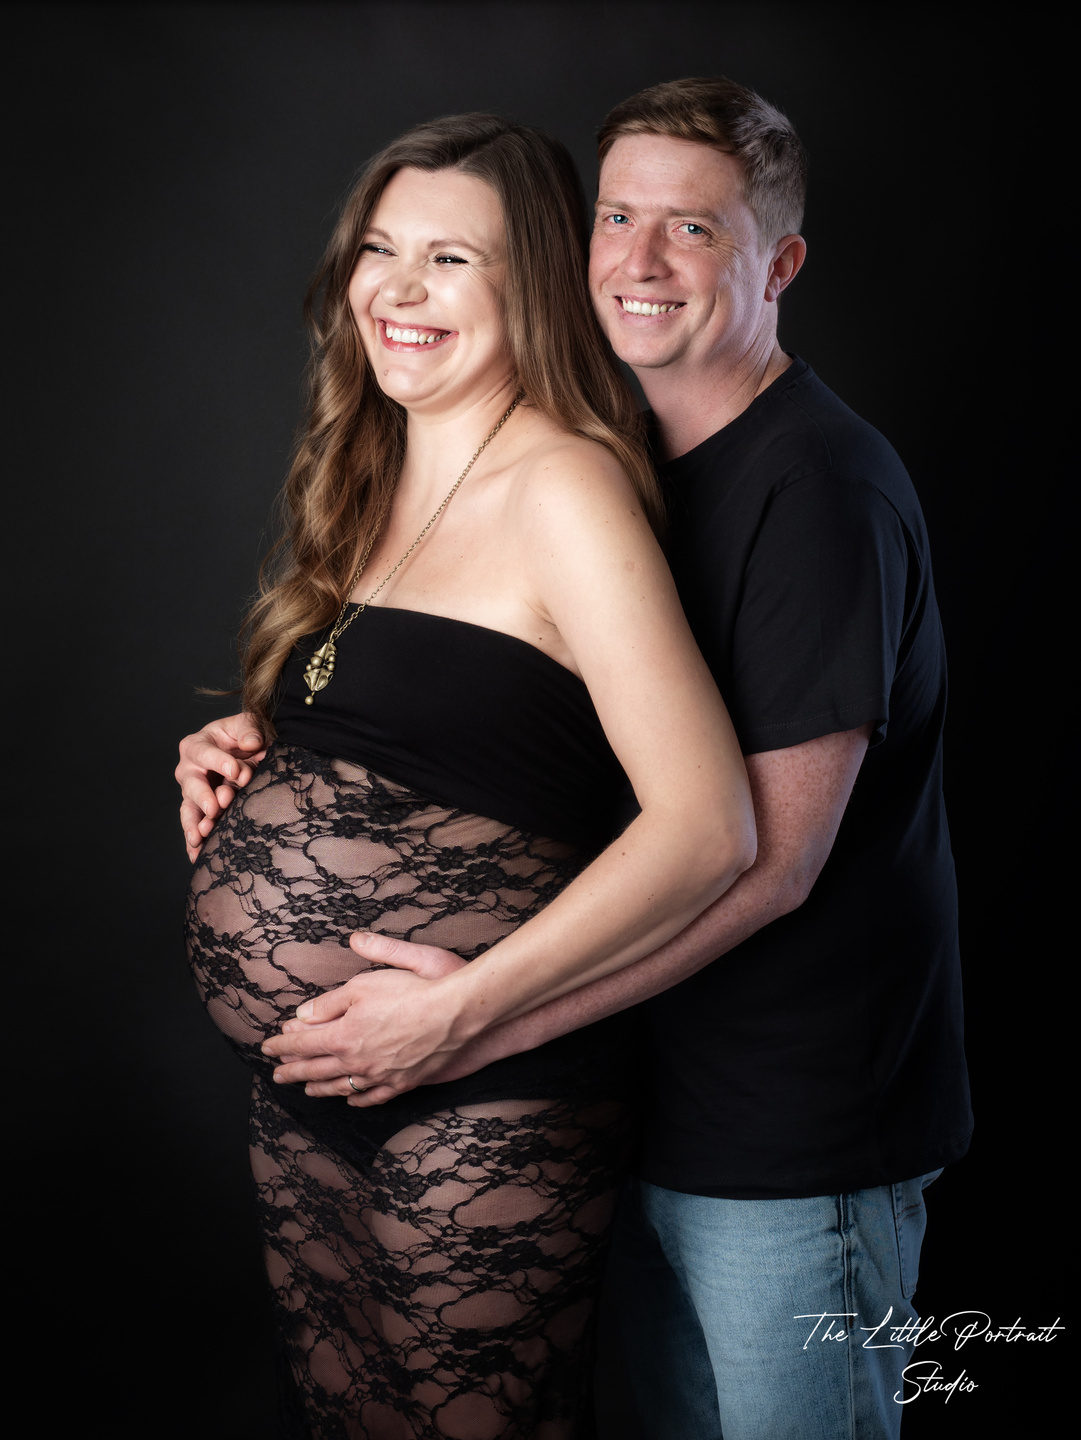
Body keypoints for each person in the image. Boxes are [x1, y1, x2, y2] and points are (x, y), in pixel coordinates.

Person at [180, 80, 973, 1438]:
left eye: (692, 229)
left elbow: (760, 857)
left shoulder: (812, 493)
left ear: (778, 264)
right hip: (644, 1080)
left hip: (788, 1126)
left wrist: (471, 1019)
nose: (640, 259)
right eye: (617, 217)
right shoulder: (635, 455)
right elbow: (525, 726)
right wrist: (280, 739)